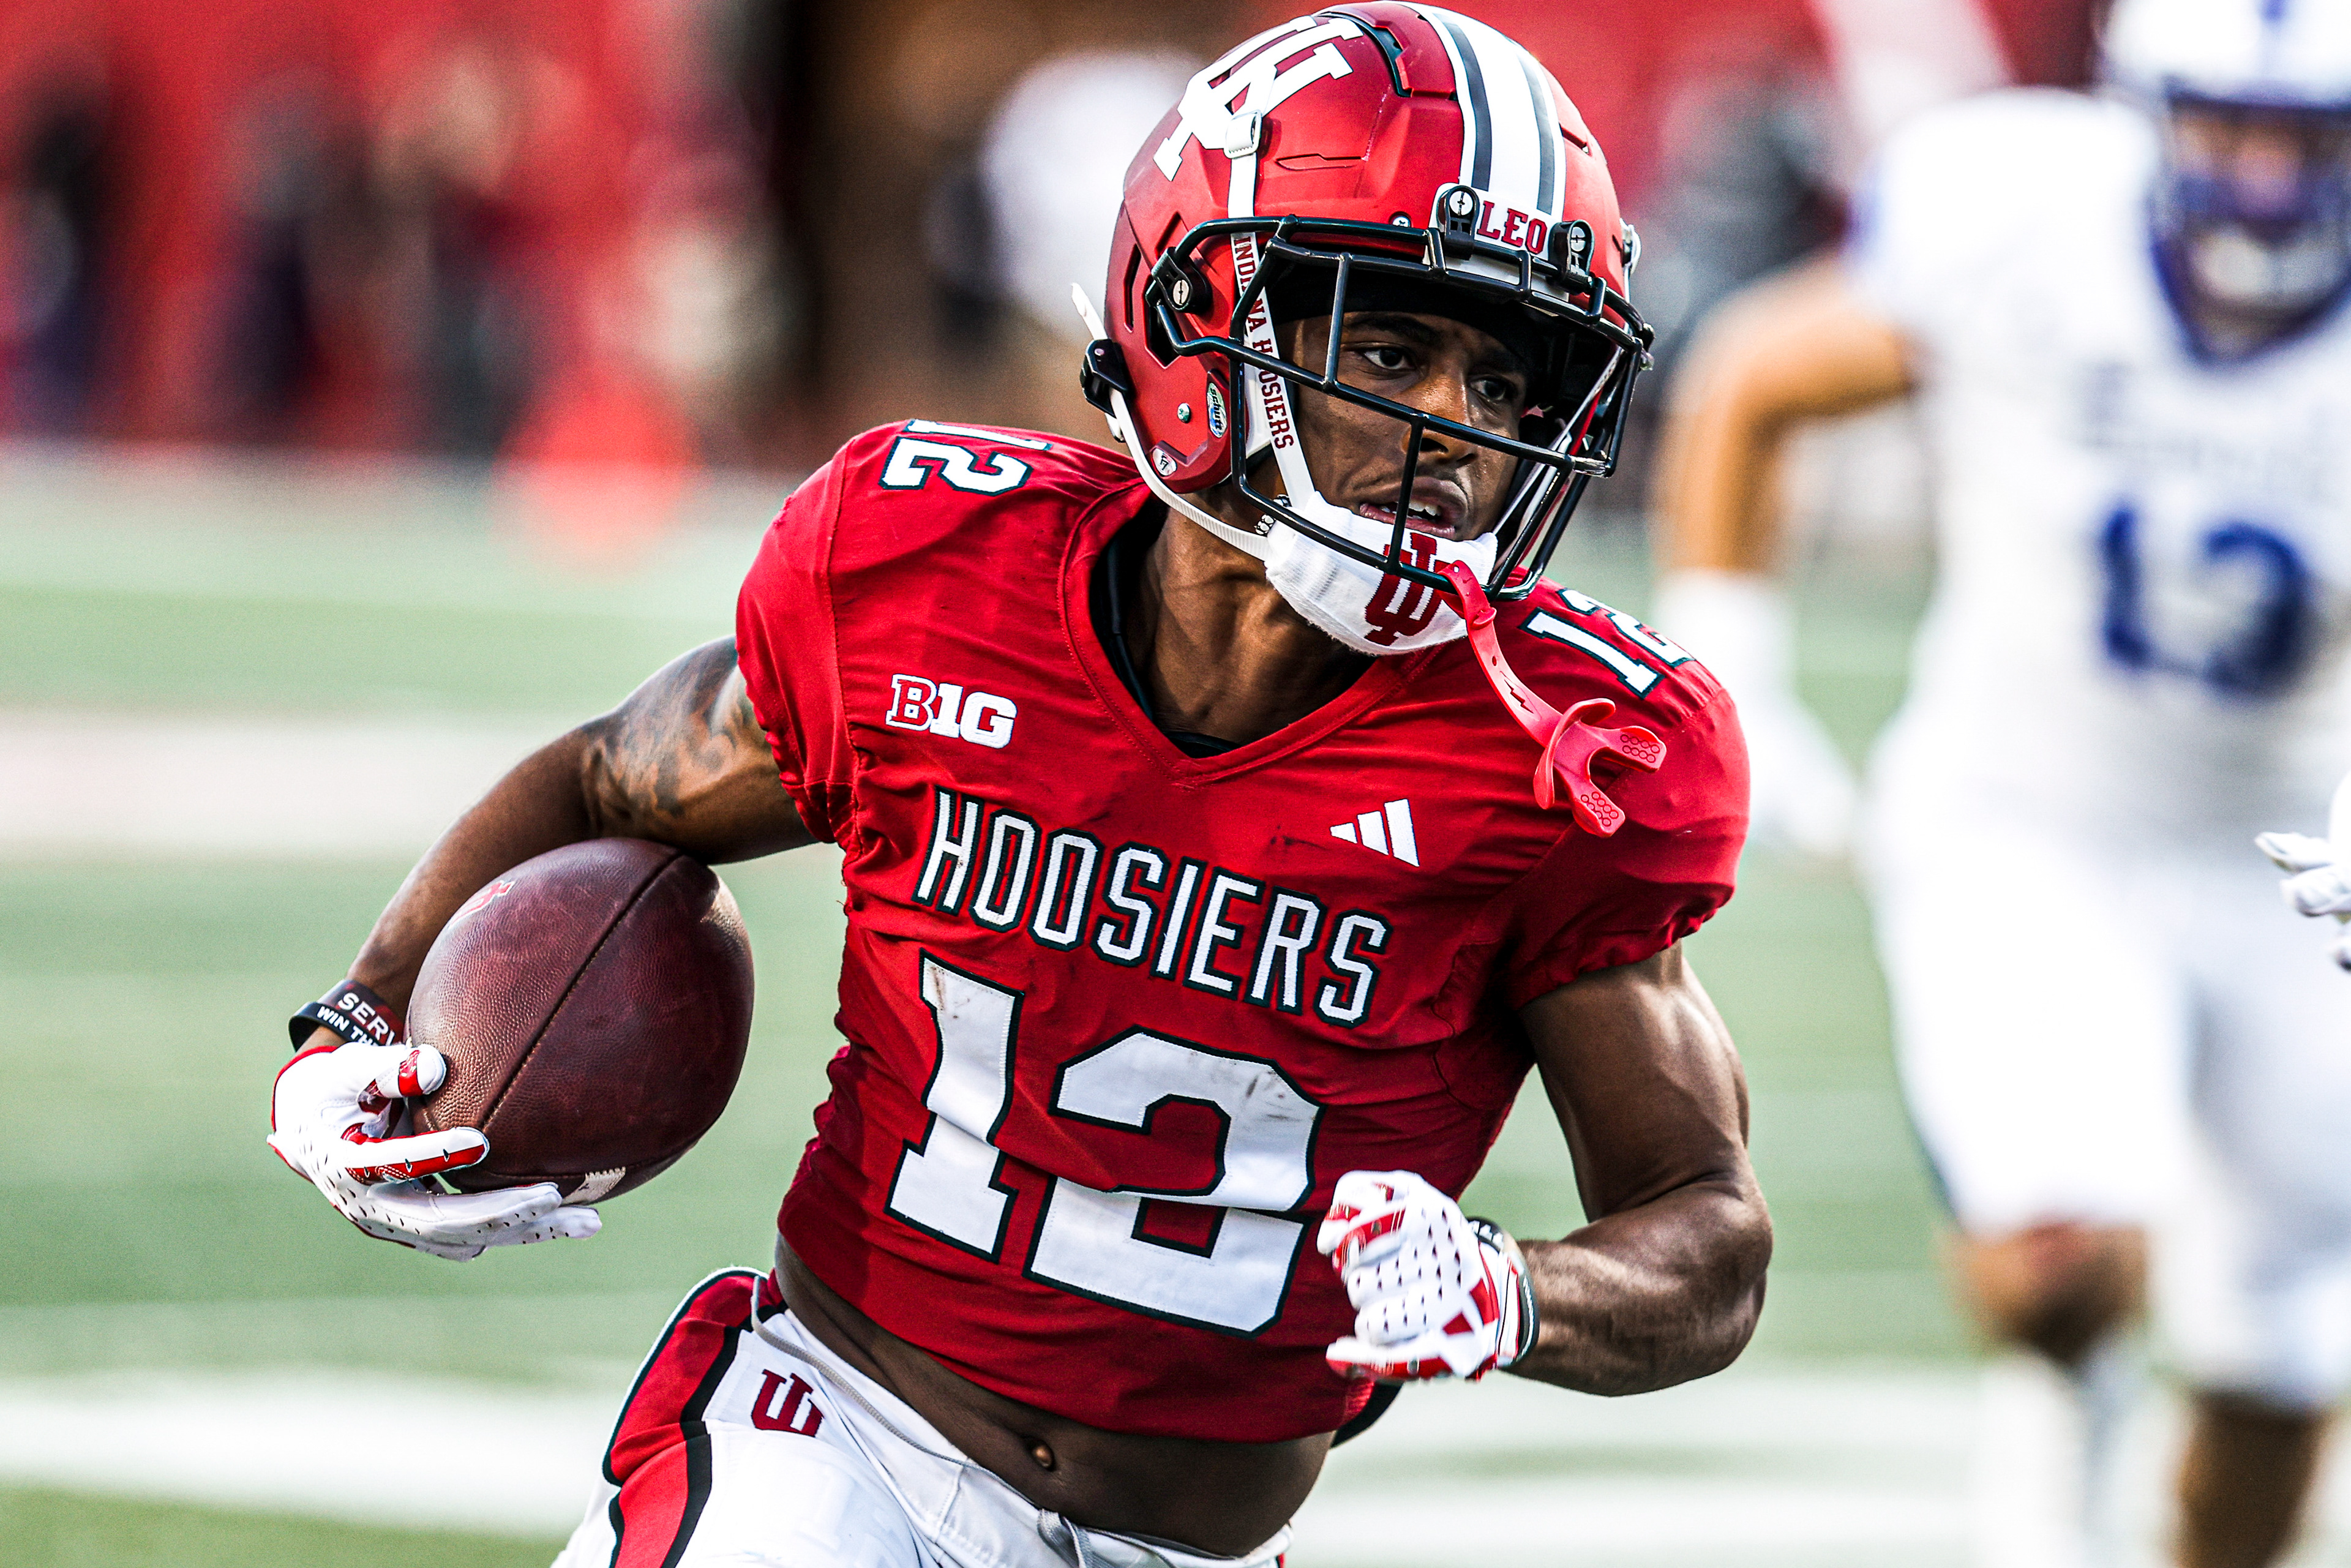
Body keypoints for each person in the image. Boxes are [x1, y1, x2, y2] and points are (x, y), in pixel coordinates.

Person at [268, 9, 1769, 1566]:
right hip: (842, 1439)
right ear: (1198, 321)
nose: (1454, 432)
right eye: (1393, 352)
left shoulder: (1555, 752)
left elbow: (1708, 1230)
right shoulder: (936, 581)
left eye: (1505, 384)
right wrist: (356, 1027)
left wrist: (1517, 1292)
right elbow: (609, 780)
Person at [1649, 1, 2351, 1564]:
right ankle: (2057, 1458)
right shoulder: (2024, 221)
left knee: (2276, 1362)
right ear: (2145, 114)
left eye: (2312, 139)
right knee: (2055, 1261)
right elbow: (1758, 379)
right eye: (2231, 125)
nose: (2266, 178)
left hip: (2301, 859)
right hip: (2032, 815)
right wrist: (1733, 666)